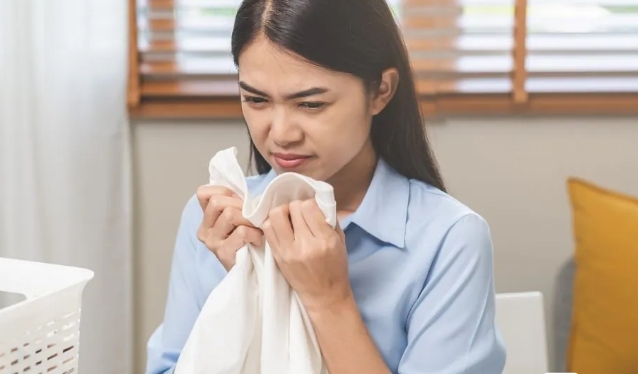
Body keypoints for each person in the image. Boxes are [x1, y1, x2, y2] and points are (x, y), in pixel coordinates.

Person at [145, 0, 507, 373]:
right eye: (256, 100)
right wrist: (247, 279)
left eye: (311, 104)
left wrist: (327, 299)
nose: (281, 134)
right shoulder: (215, 221)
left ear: (381, 91)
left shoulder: (448, 240)